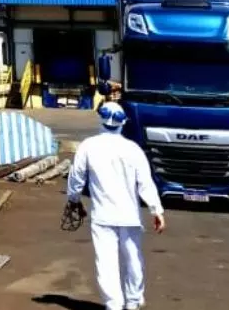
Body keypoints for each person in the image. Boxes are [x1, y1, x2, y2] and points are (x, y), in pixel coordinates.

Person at [66, 102, 166, 310]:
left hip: (102, 216)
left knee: (106, 262)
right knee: (133, 259)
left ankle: (114, 305)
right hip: (130, 215)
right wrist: (157, 210)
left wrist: (74, 200)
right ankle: (133, 301)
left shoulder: (88, 146)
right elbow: (145, 183)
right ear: (123, 123)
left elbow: (76, 178)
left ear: (101, 120)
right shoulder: (133, 149)